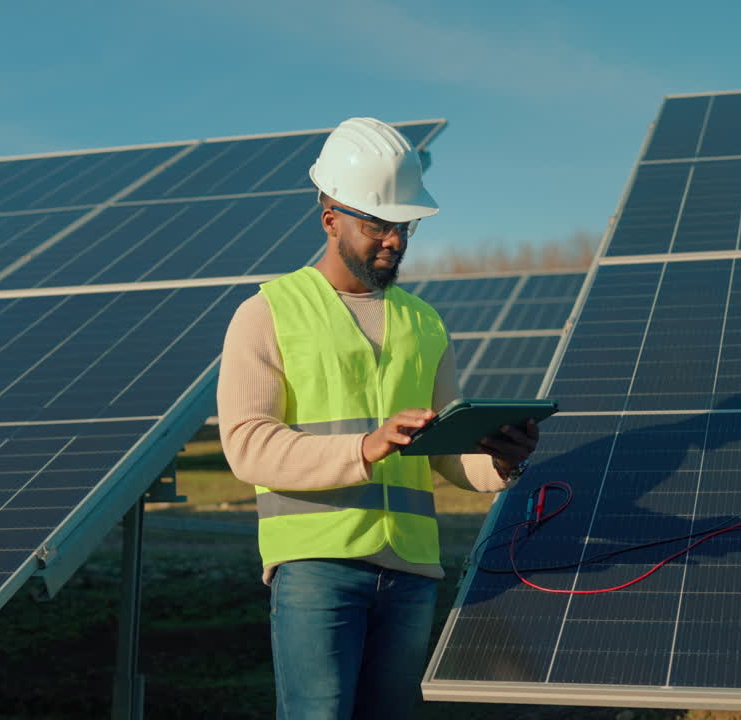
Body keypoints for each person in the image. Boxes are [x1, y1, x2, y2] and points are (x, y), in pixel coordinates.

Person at [217, 116, 539, 719]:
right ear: (330, 215)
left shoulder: (425, 322)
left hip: (412, 571)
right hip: (317, 565)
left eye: (404, 224)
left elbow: (445, 452)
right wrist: (363, 448)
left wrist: (498, 461)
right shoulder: (267, 313)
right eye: (378, 223)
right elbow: (246, 446)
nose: (394, 239)